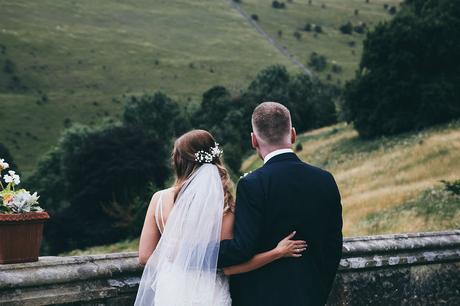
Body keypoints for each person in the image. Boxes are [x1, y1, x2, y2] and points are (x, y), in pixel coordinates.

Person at [134, 129, 307, 306]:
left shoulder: (160, 199)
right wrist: (277, 252)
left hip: (170, 291)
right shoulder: (226, 208)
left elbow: (145, 256)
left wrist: (176, 258)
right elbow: (231, 267)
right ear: (215, 158)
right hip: (209, 294)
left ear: (178, 160)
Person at [218, 102, 343, 306]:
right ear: (293, 134)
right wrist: (318, 291)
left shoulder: (252, 184)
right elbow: (333, 245)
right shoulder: (325, 179)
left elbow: (242, 248)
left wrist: (202, 252)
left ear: (253, 140)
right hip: (312, 296)